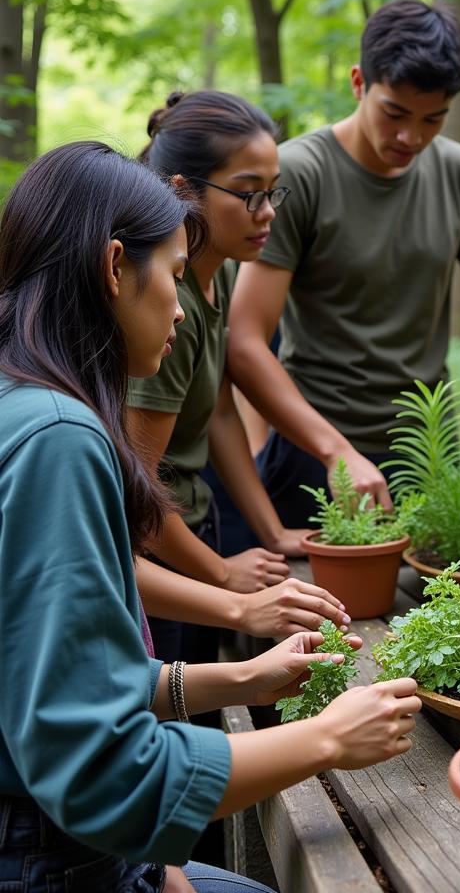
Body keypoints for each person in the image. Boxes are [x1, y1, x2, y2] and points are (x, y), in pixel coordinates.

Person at [0, 140, 420, 893]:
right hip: (45, 858)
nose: (180, 303)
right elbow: (99, 773)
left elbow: (55, 683)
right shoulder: (59, 441)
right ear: (113, 268)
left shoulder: (21, 402)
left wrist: (242, 678)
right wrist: (324, 738)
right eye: (170, 273)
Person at [225, 0, 460, 543]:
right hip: (316, 451)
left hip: (428, 453)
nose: (412, 137)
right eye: (395, 113)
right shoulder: (298, 172)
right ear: (360, 83)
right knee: (316, 624)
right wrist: (330, 449)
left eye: (433, 118)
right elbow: (245, 339)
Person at [128, 91, 337, 666]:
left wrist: (270, 531)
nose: (267, 211)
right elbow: (135, 492)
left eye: (273, 191)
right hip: (160, 559)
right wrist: (221, 573)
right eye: (248, 194)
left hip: (193, 533)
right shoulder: (171, 309)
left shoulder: (213, 281)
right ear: (182, 191)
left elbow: (220, 411)